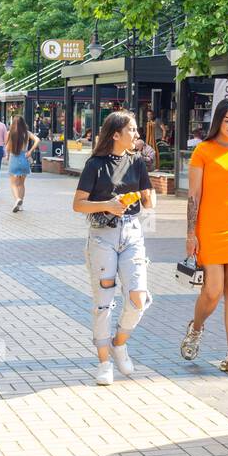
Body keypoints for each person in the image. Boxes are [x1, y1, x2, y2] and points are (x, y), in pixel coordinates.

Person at [73, 111, 154, 386]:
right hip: (102, 235)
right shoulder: (95, 165)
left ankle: (119, 342)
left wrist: (148, 194)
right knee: (103, 301)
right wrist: (107, 204)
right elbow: (78, 204)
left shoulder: (138, 162)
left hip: (132, 232)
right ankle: (104, 362)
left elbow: (148, 199)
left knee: (138, 297)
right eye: (131, 129)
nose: (136, 133)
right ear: (115, 134)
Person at [180, 98, 228, 376]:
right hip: (209, 228)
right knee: (212, 291)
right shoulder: (203, 151)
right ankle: (196, 328)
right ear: (218, 122)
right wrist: (190, 233)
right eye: (227, 120)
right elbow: (193, 195)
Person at [5, 115, 41, 213]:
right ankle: (21, 204)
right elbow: (38, 140)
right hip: (24, 157)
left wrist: (7, 155)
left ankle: (17, 199)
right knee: (21, 184)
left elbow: (7, 147)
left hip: (14, 158)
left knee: (13, 183)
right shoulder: (27, 133)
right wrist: (30, 151)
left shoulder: (9, 133)